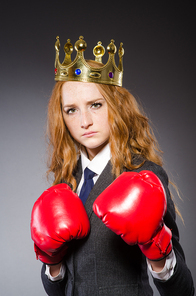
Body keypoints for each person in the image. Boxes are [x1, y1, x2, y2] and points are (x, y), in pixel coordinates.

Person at [31, 36, 194, 296]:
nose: (84, 121)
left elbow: (183, 291)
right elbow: (58, 291)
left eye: (95, 105)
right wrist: (52, 262)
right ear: (61, 116)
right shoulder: (67, 182)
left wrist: (158, 251)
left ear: (116, 106)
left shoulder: (143, 175)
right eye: (71, 110)